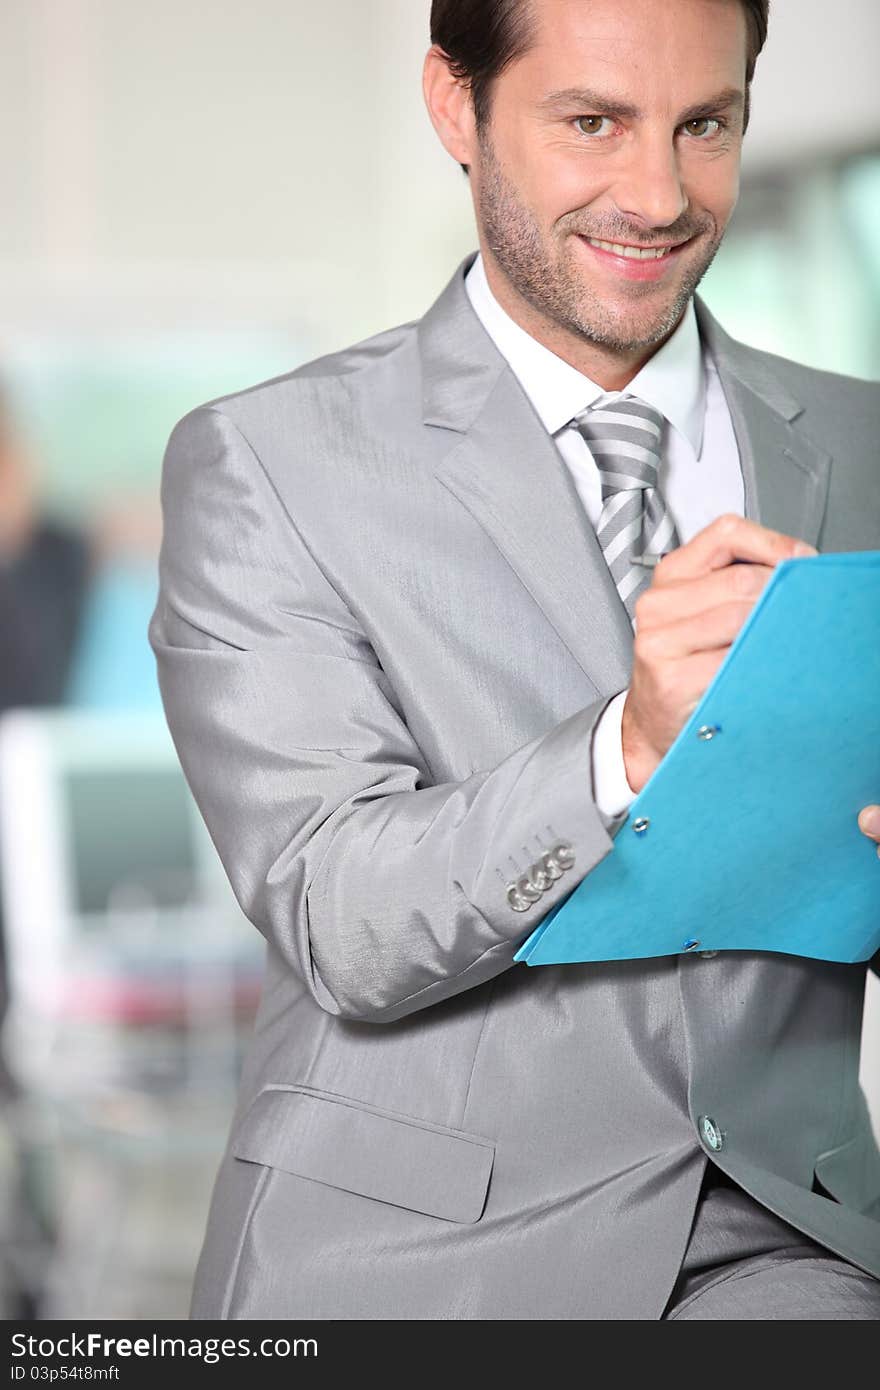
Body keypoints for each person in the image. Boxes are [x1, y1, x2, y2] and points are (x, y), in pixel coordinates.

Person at [148, 0, 880, 1319]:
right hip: (404, 1261)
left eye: (704, 125)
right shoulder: (265, 463)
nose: (657, 195)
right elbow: (341, 911)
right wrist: (631, 746)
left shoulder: (865, 443)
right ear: (455, 106)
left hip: (785, 1243)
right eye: (593, 122)